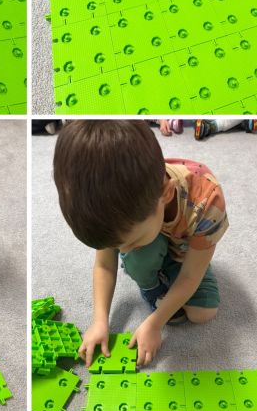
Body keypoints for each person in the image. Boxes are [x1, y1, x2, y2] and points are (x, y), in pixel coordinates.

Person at [53, 121, 226, 368]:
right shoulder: (109, 206)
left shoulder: (208, 204)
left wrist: (155, 323)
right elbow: (104, 265)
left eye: (129, 242)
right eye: (116, 246)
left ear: (165, 194)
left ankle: (163, 272)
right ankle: (151, 285)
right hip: (153, 240)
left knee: (202, 313)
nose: (122, 254)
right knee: (139, 258)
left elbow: (190, 276)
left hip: (186, 250)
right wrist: (99, 321)